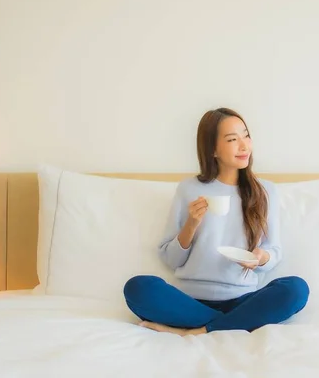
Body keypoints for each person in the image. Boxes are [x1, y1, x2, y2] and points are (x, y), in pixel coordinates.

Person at [123, 107, 309, 336]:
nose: (244, 145)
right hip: (189, 302)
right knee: (138, 288)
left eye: (246, 135)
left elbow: (275, 251)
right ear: (213, 149)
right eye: (233, 139)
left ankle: (195, 331)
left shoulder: (265, 191)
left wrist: (261, 257)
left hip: (243, 300)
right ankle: (227, 325)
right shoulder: (189, 189)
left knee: (296, 289)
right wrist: (191, 224)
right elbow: (170, 259)